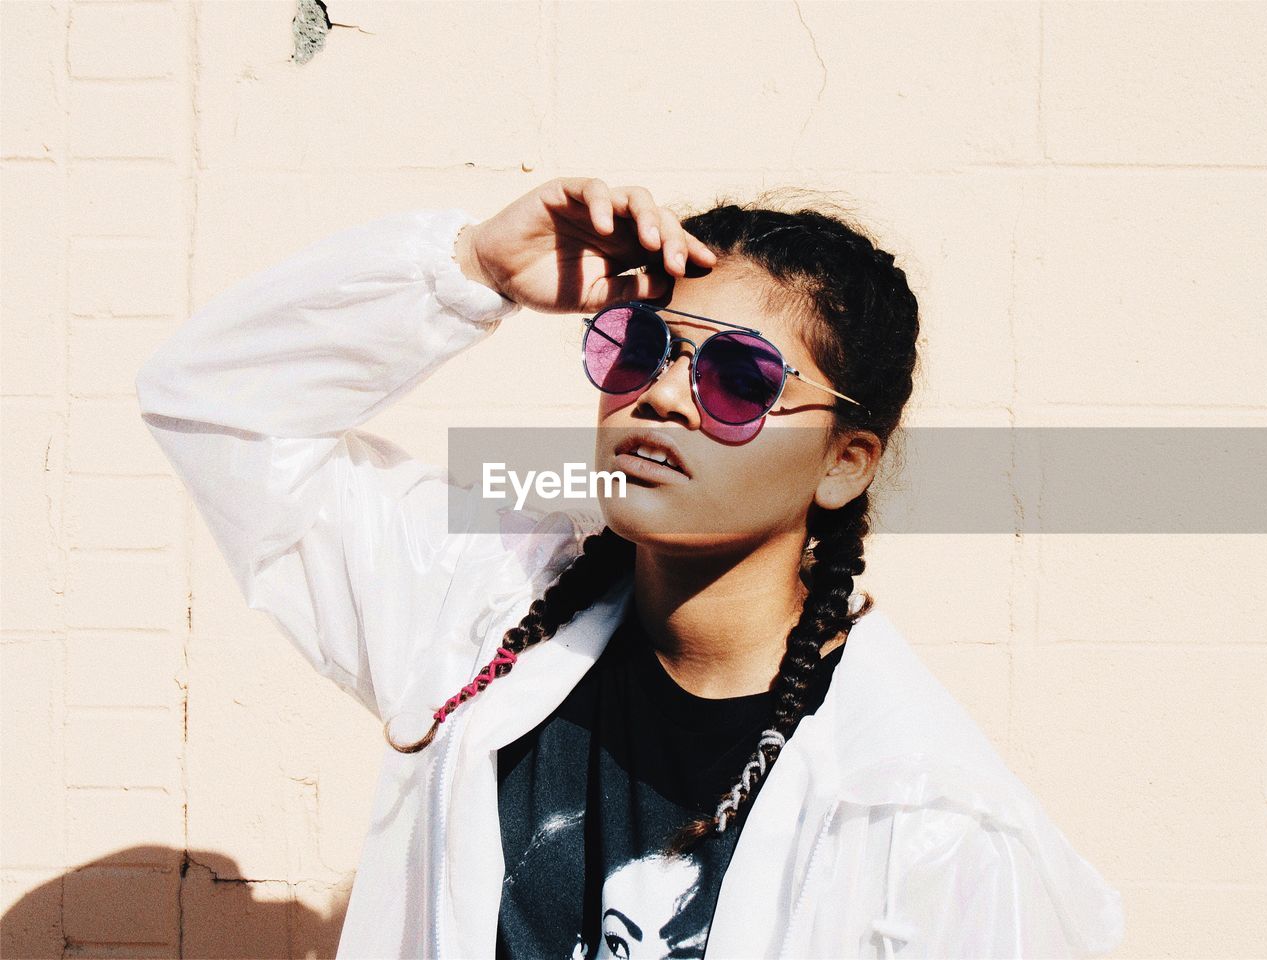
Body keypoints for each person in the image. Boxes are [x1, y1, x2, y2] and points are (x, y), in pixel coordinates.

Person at [135, 177, 1125, 958]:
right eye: (641, 348)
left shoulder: (932, 827)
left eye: (740, 379)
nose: (663, 398)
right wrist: (469, 270)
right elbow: (218, 407)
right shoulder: (481, 608)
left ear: (842, 463)